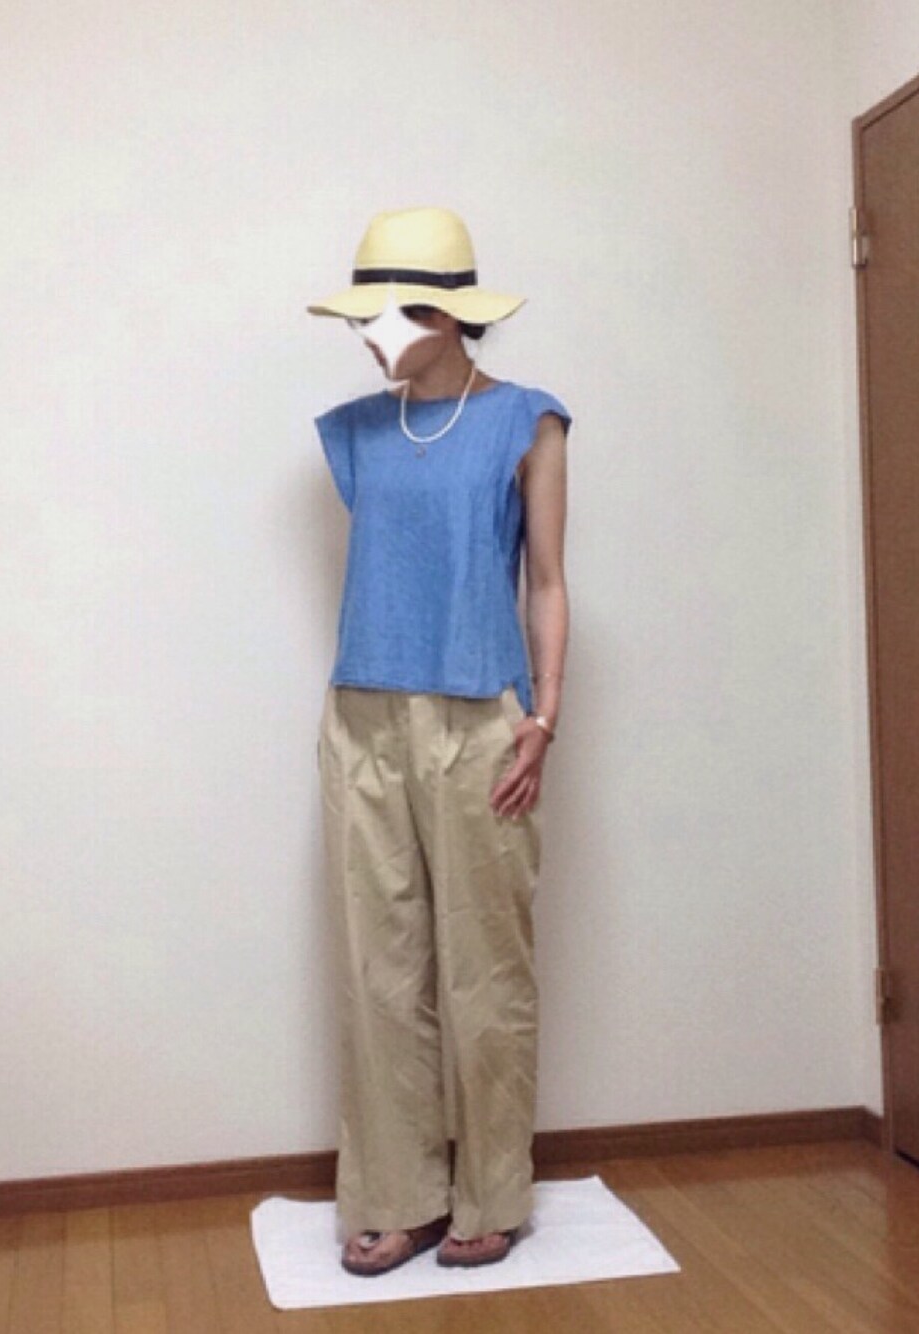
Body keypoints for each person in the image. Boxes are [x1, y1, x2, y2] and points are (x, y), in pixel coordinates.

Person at [308, 206, 571, 1276]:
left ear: (440, 314)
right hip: (362, 713)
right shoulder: (354, 431)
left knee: (485, 969)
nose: (365, 332)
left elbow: (547, 581)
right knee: (379, 968)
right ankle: (396, 1193)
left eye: (381, 313)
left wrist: (543, 716)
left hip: (479, 716)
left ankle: (491, 1193)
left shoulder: (526, 422)